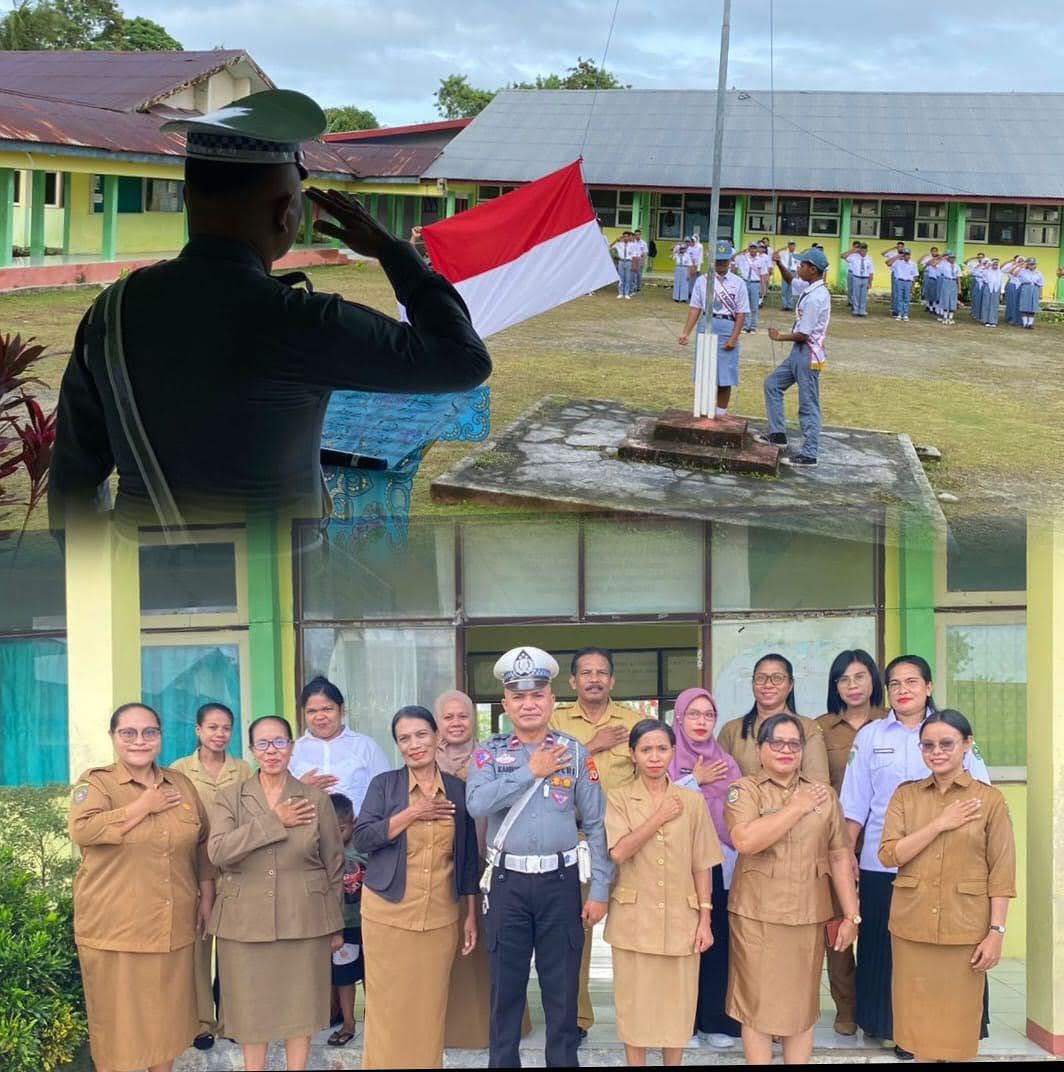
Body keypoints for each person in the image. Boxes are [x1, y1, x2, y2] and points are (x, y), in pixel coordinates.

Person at [48, 89, 492, 529]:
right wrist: (395, 253)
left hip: (140, 583)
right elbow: (463, 361)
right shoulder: (302, 322)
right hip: (273, 586)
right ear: (286, 213)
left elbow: (75, 476)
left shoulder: (111, 312)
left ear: (187, 200)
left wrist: (96, 590)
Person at [466, 646, 612, 1068]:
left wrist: (599, 889)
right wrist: (530, 771)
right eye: (519, 696)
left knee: (562, 992)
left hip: (561, 883)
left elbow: (598, 824)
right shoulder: (490, 754)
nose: (528, 704)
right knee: (505, 993)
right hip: (507, 886)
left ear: (551, 701)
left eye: (537, 696)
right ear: (506, 704)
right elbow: (476, 804)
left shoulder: (575, 752)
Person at [840, 655, 991, 1059]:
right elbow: (854, 803)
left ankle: (952, 1028)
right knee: (890, 951)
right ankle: (894, 1028)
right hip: (883, 862)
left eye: (912, 681)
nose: (903, 689)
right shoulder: (870, 736)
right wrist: (847, 854)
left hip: (949, 863)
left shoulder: (951, 731)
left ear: (928, 686)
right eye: (894, 683)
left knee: (946, 951)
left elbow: (980, 795)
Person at [69, 703, 214, 1072]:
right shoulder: (97, 783)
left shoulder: (179, 784)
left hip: (172, 930)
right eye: (128, 733)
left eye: (149, 732)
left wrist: (207, 896)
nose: (139, 740)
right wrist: (143, 805)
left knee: (165, 1031)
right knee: (120, 1038)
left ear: (160, 737)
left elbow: (202, 843)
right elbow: (84, 830)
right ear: (114, 737)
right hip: (116, 933)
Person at [207, 715, 345, 1072]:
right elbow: (219, 852)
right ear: (252, 750)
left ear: (291, 747)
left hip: (305, 919)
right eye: (263, 744)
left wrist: (334, 925)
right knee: (251, 1010)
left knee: (298, 1009)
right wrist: (274, 821)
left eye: (280, 742)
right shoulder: (229, 798)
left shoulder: (315, 799)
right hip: (244, 922)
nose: (272, 751)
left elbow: (334, 863)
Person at [879, 710, 1016, 1062]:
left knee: (957, 1036)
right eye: (928, 745)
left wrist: (996, 932)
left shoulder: (990, 801)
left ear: (967, 745)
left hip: (965, 931)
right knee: (917, 1034)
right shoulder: (905, 796)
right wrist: (939, 823)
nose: (936, 752)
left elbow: (1002, 873)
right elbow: (889, 854)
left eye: (946, 743)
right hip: (912, 928)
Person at [725, 714, 860, 1065]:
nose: (786, 750)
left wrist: (850, 914)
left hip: (807, 915)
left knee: (802, 1008)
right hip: (756, 916)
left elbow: (840, 857)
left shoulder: (823, 795)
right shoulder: (745, 790)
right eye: (777, 743)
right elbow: (746, 840)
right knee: (755, 1005)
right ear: (760, 749)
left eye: (794, 744)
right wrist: (797, 807)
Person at [353, 705, 478, 1069]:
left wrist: (469, 915)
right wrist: (412, 813)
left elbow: (468, 858)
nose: (414, 745)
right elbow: (363, 838)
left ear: (437, 737)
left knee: (428, 1008)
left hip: (439, 917)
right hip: (387, 914)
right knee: (387, 1008)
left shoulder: (457, 789)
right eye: (404, 739)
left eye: (421, 735)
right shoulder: (385, 785)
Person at [605, 719, 721, 1067]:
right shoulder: (619, 797)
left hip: (682, 920)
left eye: (662, 749)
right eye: (646, 750)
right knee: (634, 1008)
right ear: (633, 755)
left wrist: (705, 918)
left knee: (677, 1008)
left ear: (673, 752)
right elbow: (619, 851)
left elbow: (702, 864)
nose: (654, 757)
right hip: (634, 920)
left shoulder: (692, 801)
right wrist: (659, 816)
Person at [434, 689, 535, 1050]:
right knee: (450, 949)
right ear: (438, 722)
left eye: (463, 716)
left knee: (497, 949)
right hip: (442, 870)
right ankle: (450, 1030)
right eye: (448, 717)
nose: (456, 723)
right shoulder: (426, 758)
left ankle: (500, 1030)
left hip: (490, 864)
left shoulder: (493, 755)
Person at [550, 646, 640, 1037]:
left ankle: (641, 1017)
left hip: (626, 840)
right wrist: (593, 746)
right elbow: (540, 770)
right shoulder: (553, 721)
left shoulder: (634, 721)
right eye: (585, 673)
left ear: (612, 680)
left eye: (601, 672)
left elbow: (652, 770)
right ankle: (577, 1019)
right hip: (574, 838)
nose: (594, 679)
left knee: (636, 931)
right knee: (575, 934)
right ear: (572, 682)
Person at [170, 702, 253, 1050]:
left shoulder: (244, 770)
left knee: (235, 949)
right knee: (199, 946)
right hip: (192, 871)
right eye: (213, 728)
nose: (220, 734)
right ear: (198, 730)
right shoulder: (178, 771)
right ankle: (202, 1021)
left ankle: (233, 1020)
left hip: (236, 871)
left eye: (226, 728)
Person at [667, 688, 743, 1051]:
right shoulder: (665, 757)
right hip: (679, 863)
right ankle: (683, 1025)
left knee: (716, 942)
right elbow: (661, 805)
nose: (700, 721)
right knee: (682, 945)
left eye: (708, 715)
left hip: (720, 861)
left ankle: (715, 1022)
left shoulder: (727, 762)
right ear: (679, 718)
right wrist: (693, 779)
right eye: (693, 714)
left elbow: (739, 809)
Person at [815, 651, 885, 1036]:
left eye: (860, 677)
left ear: (873, 680)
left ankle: (877, 1005)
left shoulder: (894, 723)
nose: (853, 685)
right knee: (837, 925)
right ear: (835, 686)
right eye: (844, 679)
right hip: (834, 840)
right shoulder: (820, 728)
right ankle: (847, 1007)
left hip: (885, 843)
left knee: (877, 927)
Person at [765, 247, 832, 467]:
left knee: (808, 403)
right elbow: (790, 280)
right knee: (772, 384)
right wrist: (779, 264)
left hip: (807, 354)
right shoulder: (810, 287)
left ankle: (809, 453)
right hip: (798, 353)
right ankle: (777, 434)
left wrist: (779, 337)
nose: (798, 267)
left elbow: (803, 334)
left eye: (802, 265)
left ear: (812, 269)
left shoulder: (817, 297)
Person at [717, 652, 830, 783]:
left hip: (797, 802)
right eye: (761, 678)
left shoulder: (808, 728)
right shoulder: (731, 730)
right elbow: (720, 783)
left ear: (790, 685)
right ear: (753, 683)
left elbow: (818, 784)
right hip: (743, 802)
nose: (768, 684)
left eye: (777, 678)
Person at [289, 676, 390, 812]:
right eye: (312, 711)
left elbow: (387, 791)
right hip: (307, 831)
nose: (320, 717)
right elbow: (276, 800)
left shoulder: (365, 746)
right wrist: (300, 787)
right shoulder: (292, 750)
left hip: (358, 830)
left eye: (327, 709)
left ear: (341, 710)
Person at [676, 240, 749, 420]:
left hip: (727, 327)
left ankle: (721, 413)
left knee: (725, 374)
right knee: (704, 371)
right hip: (707, 325)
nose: (721, 265)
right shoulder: (703, 281)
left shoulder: (738, 283)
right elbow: (695, 308)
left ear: (730, 261)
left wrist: (734, 337)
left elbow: (741, 313)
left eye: (724, 261)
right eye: (718, 261)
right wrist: (686, 332)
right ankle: (703, 411)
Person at [325, 793, 367, 1049]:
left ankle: (375, 1022)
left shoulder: (364, 848)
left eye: (341, 828)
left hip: (369, 923)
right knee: (343, 977)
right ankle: (349, 1022)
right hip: (342, 927)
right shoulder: (323, 852)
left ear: (354, 821)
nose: (336, 835)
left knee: (374, 975)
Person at [734, 243, 762, 331]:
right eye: (751, 248)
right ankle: (745, 326)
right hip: (745, 282)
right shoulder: (743, 258)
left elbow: (763, 275)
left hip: (755, 283)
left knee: (754, 306)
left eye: (754, 248)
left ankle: (753, 326)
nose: (753, 250)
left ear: (757, 250)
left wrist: (762, 287)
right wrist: (741, 251)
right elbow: (731, 257)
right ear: (748, 249)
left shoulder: (760, 259)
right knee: (744, 305)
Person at [890, 249, 918, 321]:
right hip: (900, 281)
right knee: (899, 298)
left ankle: (905, 314)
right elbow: (888, 263)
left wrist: (913, 285)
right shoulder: (898, 262)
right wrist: (897, 256)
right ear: (903, 255)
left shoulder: (913, 264)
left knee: (906, 298)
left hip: (908, 282)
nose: (907, 256)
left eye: (908, 254)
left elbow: (915, 276)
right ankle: (899, 314)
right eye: (905, 254)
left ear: (910, 255)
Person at [936, 250, 963, 325]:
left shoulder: (957, 266)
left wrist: (959, 288)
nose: (952, 259)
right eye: (951, 257)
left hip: (953, 282)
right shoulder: (944, 265)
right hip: (946, 281)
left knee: (952, 299)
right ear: (948, 258)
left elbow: (958, 278)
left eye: (954, 258)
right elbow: (936, 266)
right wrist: (941, 258)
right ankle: (944, 316)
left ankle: (950, 317)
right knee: (945, 298)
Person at [849, 243, 874, 317]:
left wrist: (870, 282)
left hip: (865, 278)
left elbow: (871, 272)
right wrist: (853, 250)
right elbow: (843, 256)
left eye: (864, 250)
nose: (863, 252)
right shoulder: (854, 257)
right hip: (856, 277)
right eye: (861, 250)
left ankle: (862, 311)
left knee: (864, 296)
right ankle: (856, 310)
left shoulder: (869, 258)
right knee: (856, 295)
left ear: (867, 250)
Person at [1018, 257, 1044, 329]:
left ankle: (1030, 324)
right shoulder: (1023, 271)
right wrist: (1022, 264)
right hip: (1026, 288)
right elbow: (1018, 277)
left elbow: (1041, 284)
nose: (1031, 266)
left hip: (1035, 289)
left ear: (1035, 265)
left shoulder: (1039, 273)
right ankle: (1025, 323)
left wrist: (1040, 294)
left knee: (1033, 307)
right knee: (1024, 306)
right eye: (1030, 264)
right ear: (1027, 265)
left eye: (1033, 264)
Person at [612, 230, 637, 299]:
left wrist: (634, 265)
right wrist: (617, 240)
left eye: (627, 236)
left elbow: (634, 256)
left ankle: (626, 293)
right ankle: (620, 293)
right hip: (621, 261)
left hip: (629, 262)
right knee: (621, 277)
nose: (625, 238)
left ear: (629, 237)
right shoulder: (619, 244)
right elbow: (611, 246)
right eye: (624, 236)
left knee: (628, 278)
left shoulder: (632, 245)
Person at [776, 240, 799, 310]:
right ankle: (784, 305)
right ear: (788, 246)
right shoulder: (783, 253)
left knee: (791, 289)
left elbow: (799, 265)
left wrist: (798, 274)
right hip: (785, 271)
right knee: (784, 289)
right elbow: (775, 253)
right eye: (790, 245)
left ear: (795, 246)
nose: (792, 246)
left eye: (793, 245)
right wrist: (783, 248)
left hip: (793, 272)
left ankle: (790, 305)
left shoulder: (797, 254)